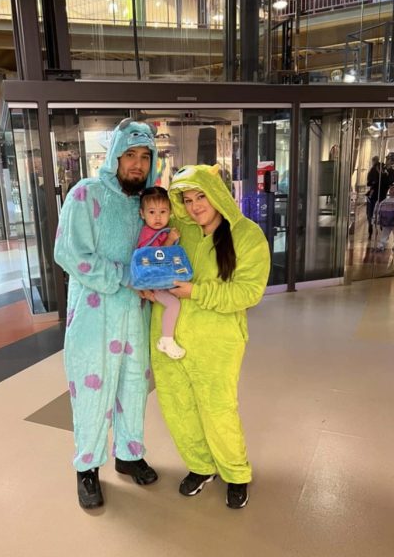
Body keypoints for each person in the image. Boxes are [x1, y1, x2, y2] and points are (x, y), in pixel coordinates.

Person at [149, 164, 270, 509]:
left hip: (216, 341)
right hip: (168, 338)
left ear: (217, 194)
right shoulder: (180, 230)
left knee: (218, 409)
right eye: (187, 200)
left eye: (201, 196)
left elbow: (248, 292)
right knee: (177, 406)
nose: (194, 207)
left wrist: (196, 292)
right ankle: (201, 466)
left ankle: (236, 473)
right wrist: (150, 286)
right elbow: (158, 264)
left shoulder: (247, 235)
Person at [54, 118, 159, 510]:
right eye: (130, 154)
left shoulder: (147, 203)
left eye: (145, 156)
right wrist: (125, 276)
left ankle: (129, 455)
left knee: (134, 386)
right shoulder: (86, 194)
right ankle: (87, 467)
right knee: (92, 391)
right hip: (94, 315)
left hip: (135, 312)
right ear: (114, 155)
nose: (137, 164)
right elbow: (69, 253)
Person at [137, 186, 185, 359]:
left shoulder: (159, 231)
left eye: (163, 212)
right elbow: (157, 257)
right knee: (174, 304)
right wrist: (170, 239)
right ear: (142, 214)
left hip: (161, 281)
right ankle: (166, 340)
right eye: (152, 212)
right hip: (154, 284)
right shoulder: (147, 234)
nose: (157, 217)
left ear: (170, 212)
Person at [374, 183, 394, 251]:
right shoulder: (384, 201)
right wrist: (378, 220)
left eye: (393, 190)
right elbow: (379, 211)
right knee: (384, 234)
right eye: (390, 190)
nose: (391, 191)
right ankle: (381, 246)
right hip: (386, 222)